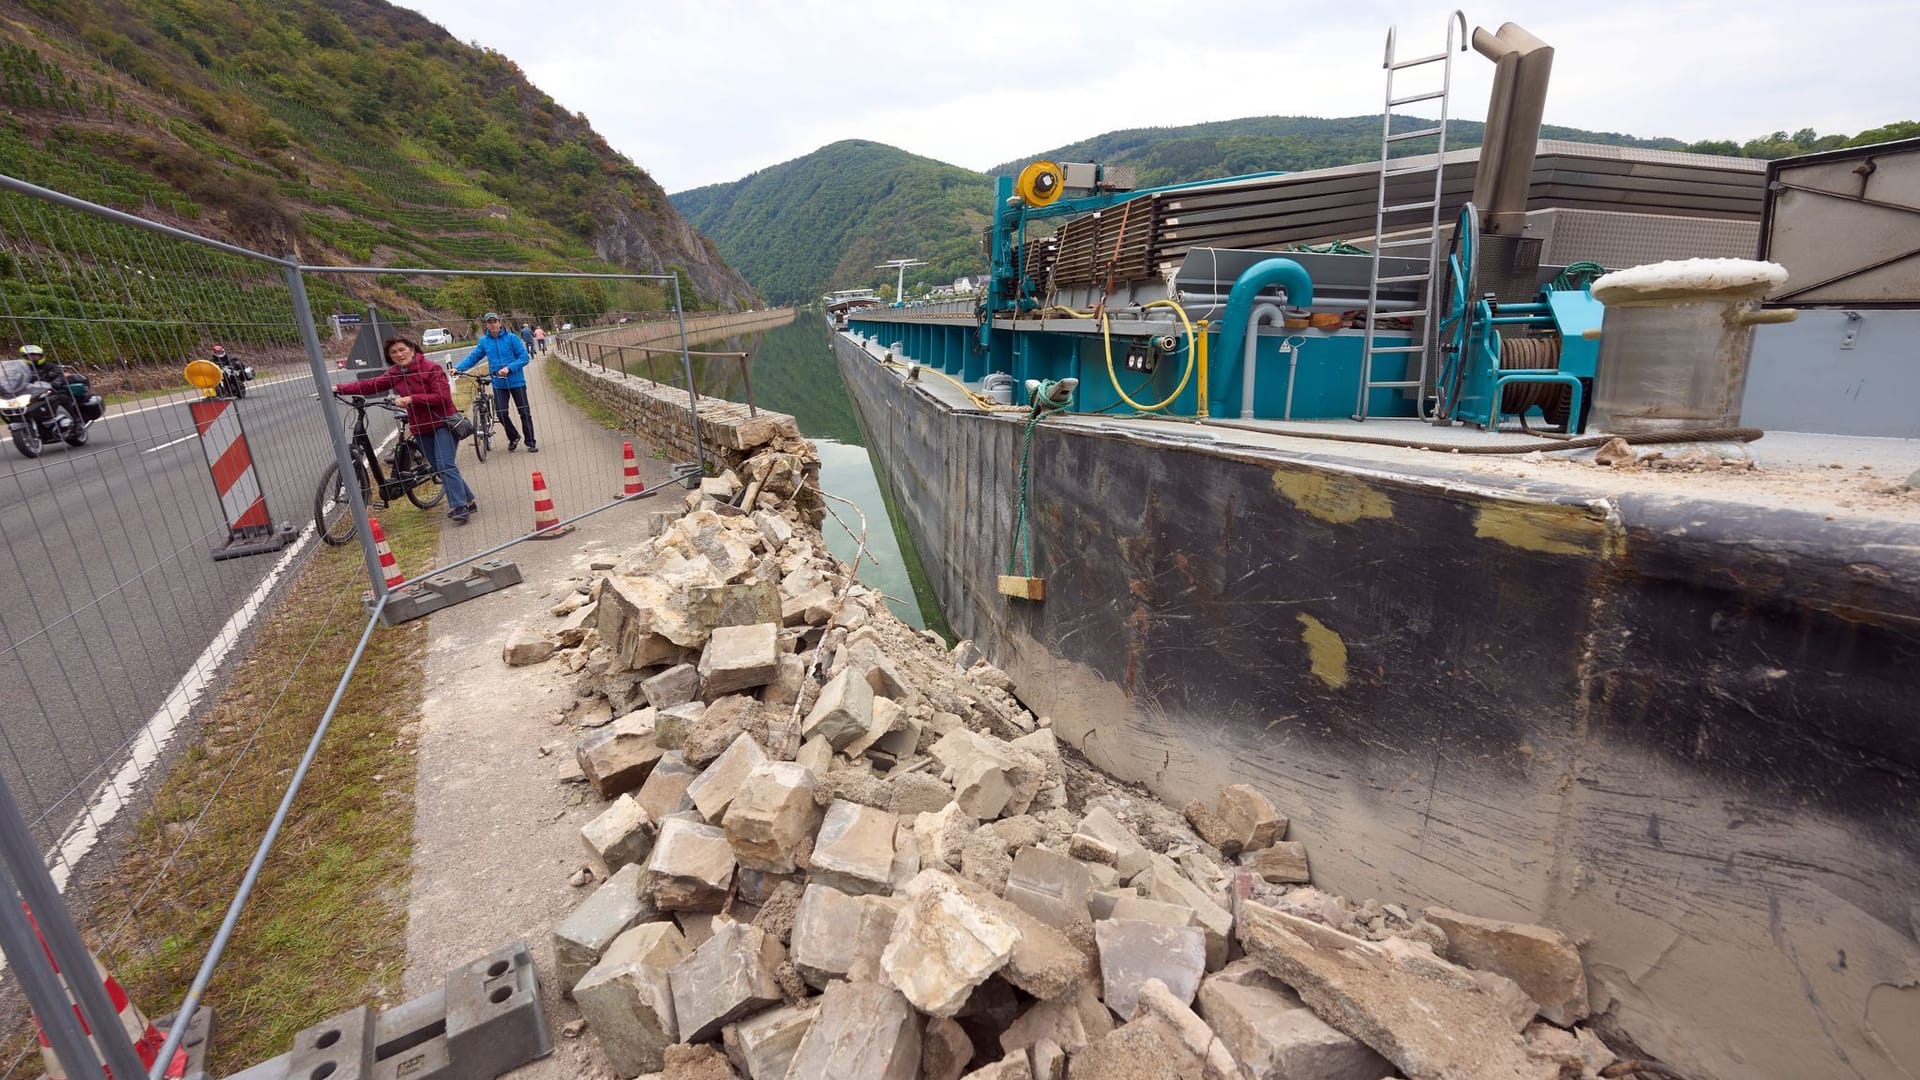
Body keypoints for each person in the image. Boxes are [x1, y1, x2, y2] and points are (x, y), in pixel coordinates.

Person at [337, 337, 478, 523]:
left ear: (412, 350)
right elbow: (370, 385)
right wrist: (338, 388)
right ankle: (468, 500)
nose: (399, 354)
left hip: (443, 423)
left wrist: (413, 398)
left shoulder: (431, 368)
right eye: (393, 352)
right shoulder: (395, 373)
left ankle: (459, 506)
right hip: (420, 428)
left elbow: (442, 397)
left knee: (445, 465)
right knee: (438, 467)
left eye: (402, 349)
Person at [455, 312, 537, 452]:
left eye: (494, 321)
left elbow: (524, 357)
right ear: (486, 324)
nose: (492, 324)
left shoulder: (512, 338)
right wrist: (458, 368)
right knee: (501, 413)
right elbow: (474, 357)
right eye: (489, 322)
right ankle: (514, 437)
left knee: (524, 412)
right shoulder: (484, 341)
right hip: (498, 383)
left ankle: (530, 442)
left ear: (500, 322)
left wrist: (509, 368)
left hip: (516, 381)